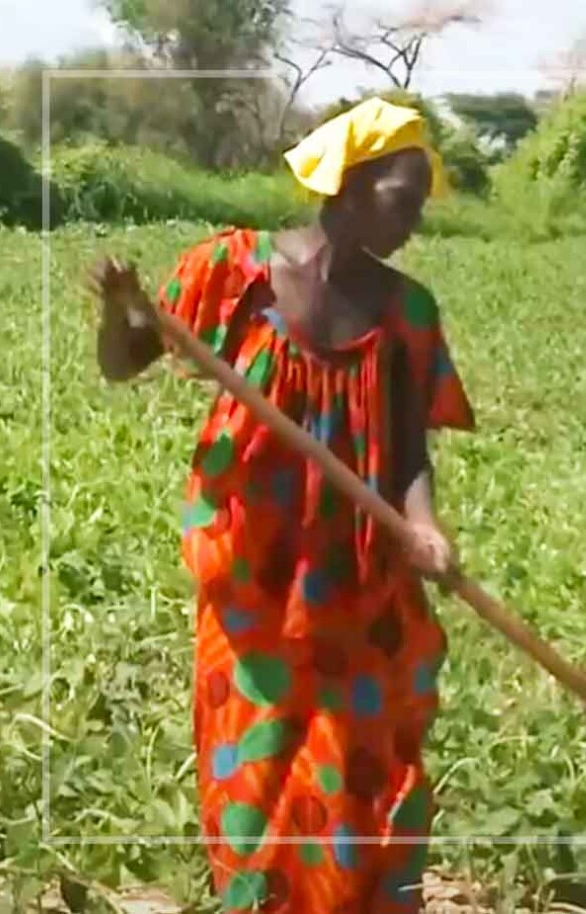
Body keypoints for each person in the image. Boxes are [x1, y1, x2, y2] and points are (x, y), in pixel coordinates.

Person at [89, 98, 473, 913]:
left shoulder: (409, 313)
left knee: (363, 778)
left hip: (360, 589)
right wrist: (119, 311)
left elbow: (407, 450)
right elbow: (125, 363)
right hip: (253, 588)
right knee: (255, 781)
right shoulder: (234, 273)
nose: (411, 222)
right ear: (352, 186)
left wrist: (427, 526)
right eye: (402, 200)